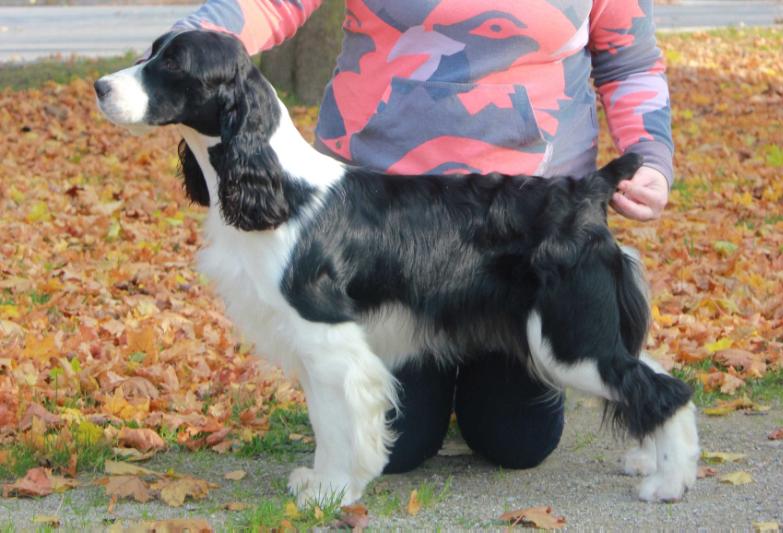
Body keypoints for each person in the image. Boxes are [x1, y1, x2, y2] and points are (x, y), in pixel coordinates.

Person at [165, 0, 674, 473]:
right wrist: (191, 40)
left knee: (516, 441)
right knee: (398, 446)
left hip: (527, 223)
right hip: (379, 216)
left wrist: (649, 157)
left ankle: (604, 380)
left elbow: (629, 62)